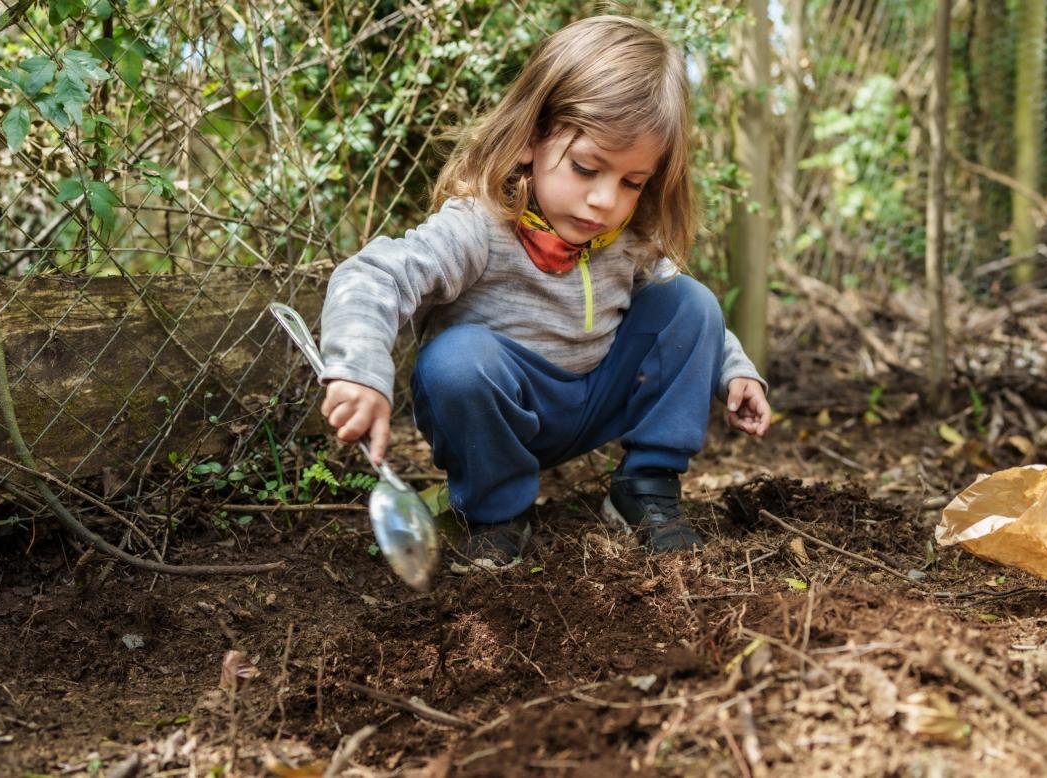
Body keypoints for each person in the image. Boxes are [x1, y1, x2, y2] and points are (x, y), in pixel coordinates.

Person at [316, 15, 771, 568]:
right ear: (533, 138)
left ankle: (645, 486)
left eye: (632, 182)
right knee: (456, 362)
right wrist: (359, 370)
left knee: (690, 300)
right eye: (586, 168)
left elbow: (686, 324)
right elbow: (372, 275)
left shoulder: (626, 241)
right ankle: (497, 512)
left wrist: (735, 371)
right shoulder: (477, 228)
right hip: (501, 416)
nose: (605, 199)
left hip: (595, 400)